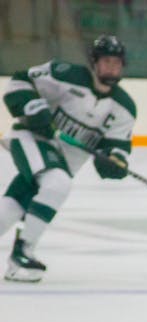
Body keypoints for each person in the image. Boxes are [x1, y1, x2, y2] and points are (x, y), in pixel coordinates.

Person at [0, 35, 135, 282]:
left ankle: (16, 265)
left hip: (62, 162)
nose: (112, 67)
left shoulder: (124, 108)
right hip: (31, 138)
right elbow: (20, 81)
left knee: (15, 204)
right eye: (107, 61)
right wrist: (31, 107)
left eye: (117, 63)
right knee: (57, 183)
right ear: (94, 62)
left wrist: (114, 162)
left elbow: (117, 147)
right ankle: (23, 252)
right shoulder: (65, 74)